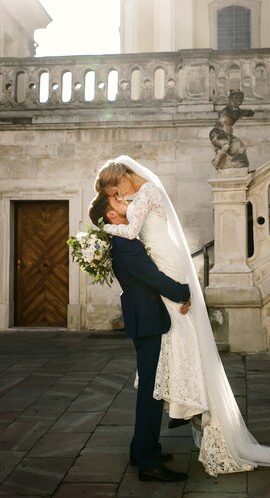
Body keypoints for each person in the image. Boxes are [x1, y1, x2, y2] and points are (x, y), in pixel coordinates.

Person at [93, 155, 270, 476]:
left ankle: (151, 443)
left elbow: (136, 244)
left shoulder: (143, 199)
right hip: (159, 289)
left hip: (162, 282)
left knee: (158, 377)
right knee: (157, 379)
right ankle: (153, 445)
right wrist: (180, 292)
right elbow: (142, 258)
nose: (119, 197)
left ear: (123, 177)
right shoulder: (130, 215)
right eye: (114, 196)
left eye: (116, 189)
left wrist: (103, 228)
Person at [88, 193, 190, 483]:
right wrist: (185, 291)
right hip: (147, 320)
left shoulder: (123, 240)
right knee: (151, 391)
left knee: (149, 387)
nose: (125, 202)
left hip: (142, 318)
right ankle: (148, 462)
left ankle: (141, 449)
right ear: (111, 216)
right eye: (118, 202)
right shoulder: (125, 243)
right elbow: (152, 277)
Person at [209, 89, 254, 169]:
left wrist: (247, 112)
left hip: (228, 135)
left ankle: (241, 167)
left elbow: (249, 113)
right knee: (226, 144)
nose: (239, 101)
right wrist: (244, 112)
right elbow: (234, 114)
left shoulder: (237, 110)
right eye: (236, 98)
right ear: (231, 99)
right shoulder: (228, 109)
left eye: (241, 99)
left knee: (240, 147)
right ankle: (216, 160)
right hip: (218, 133)